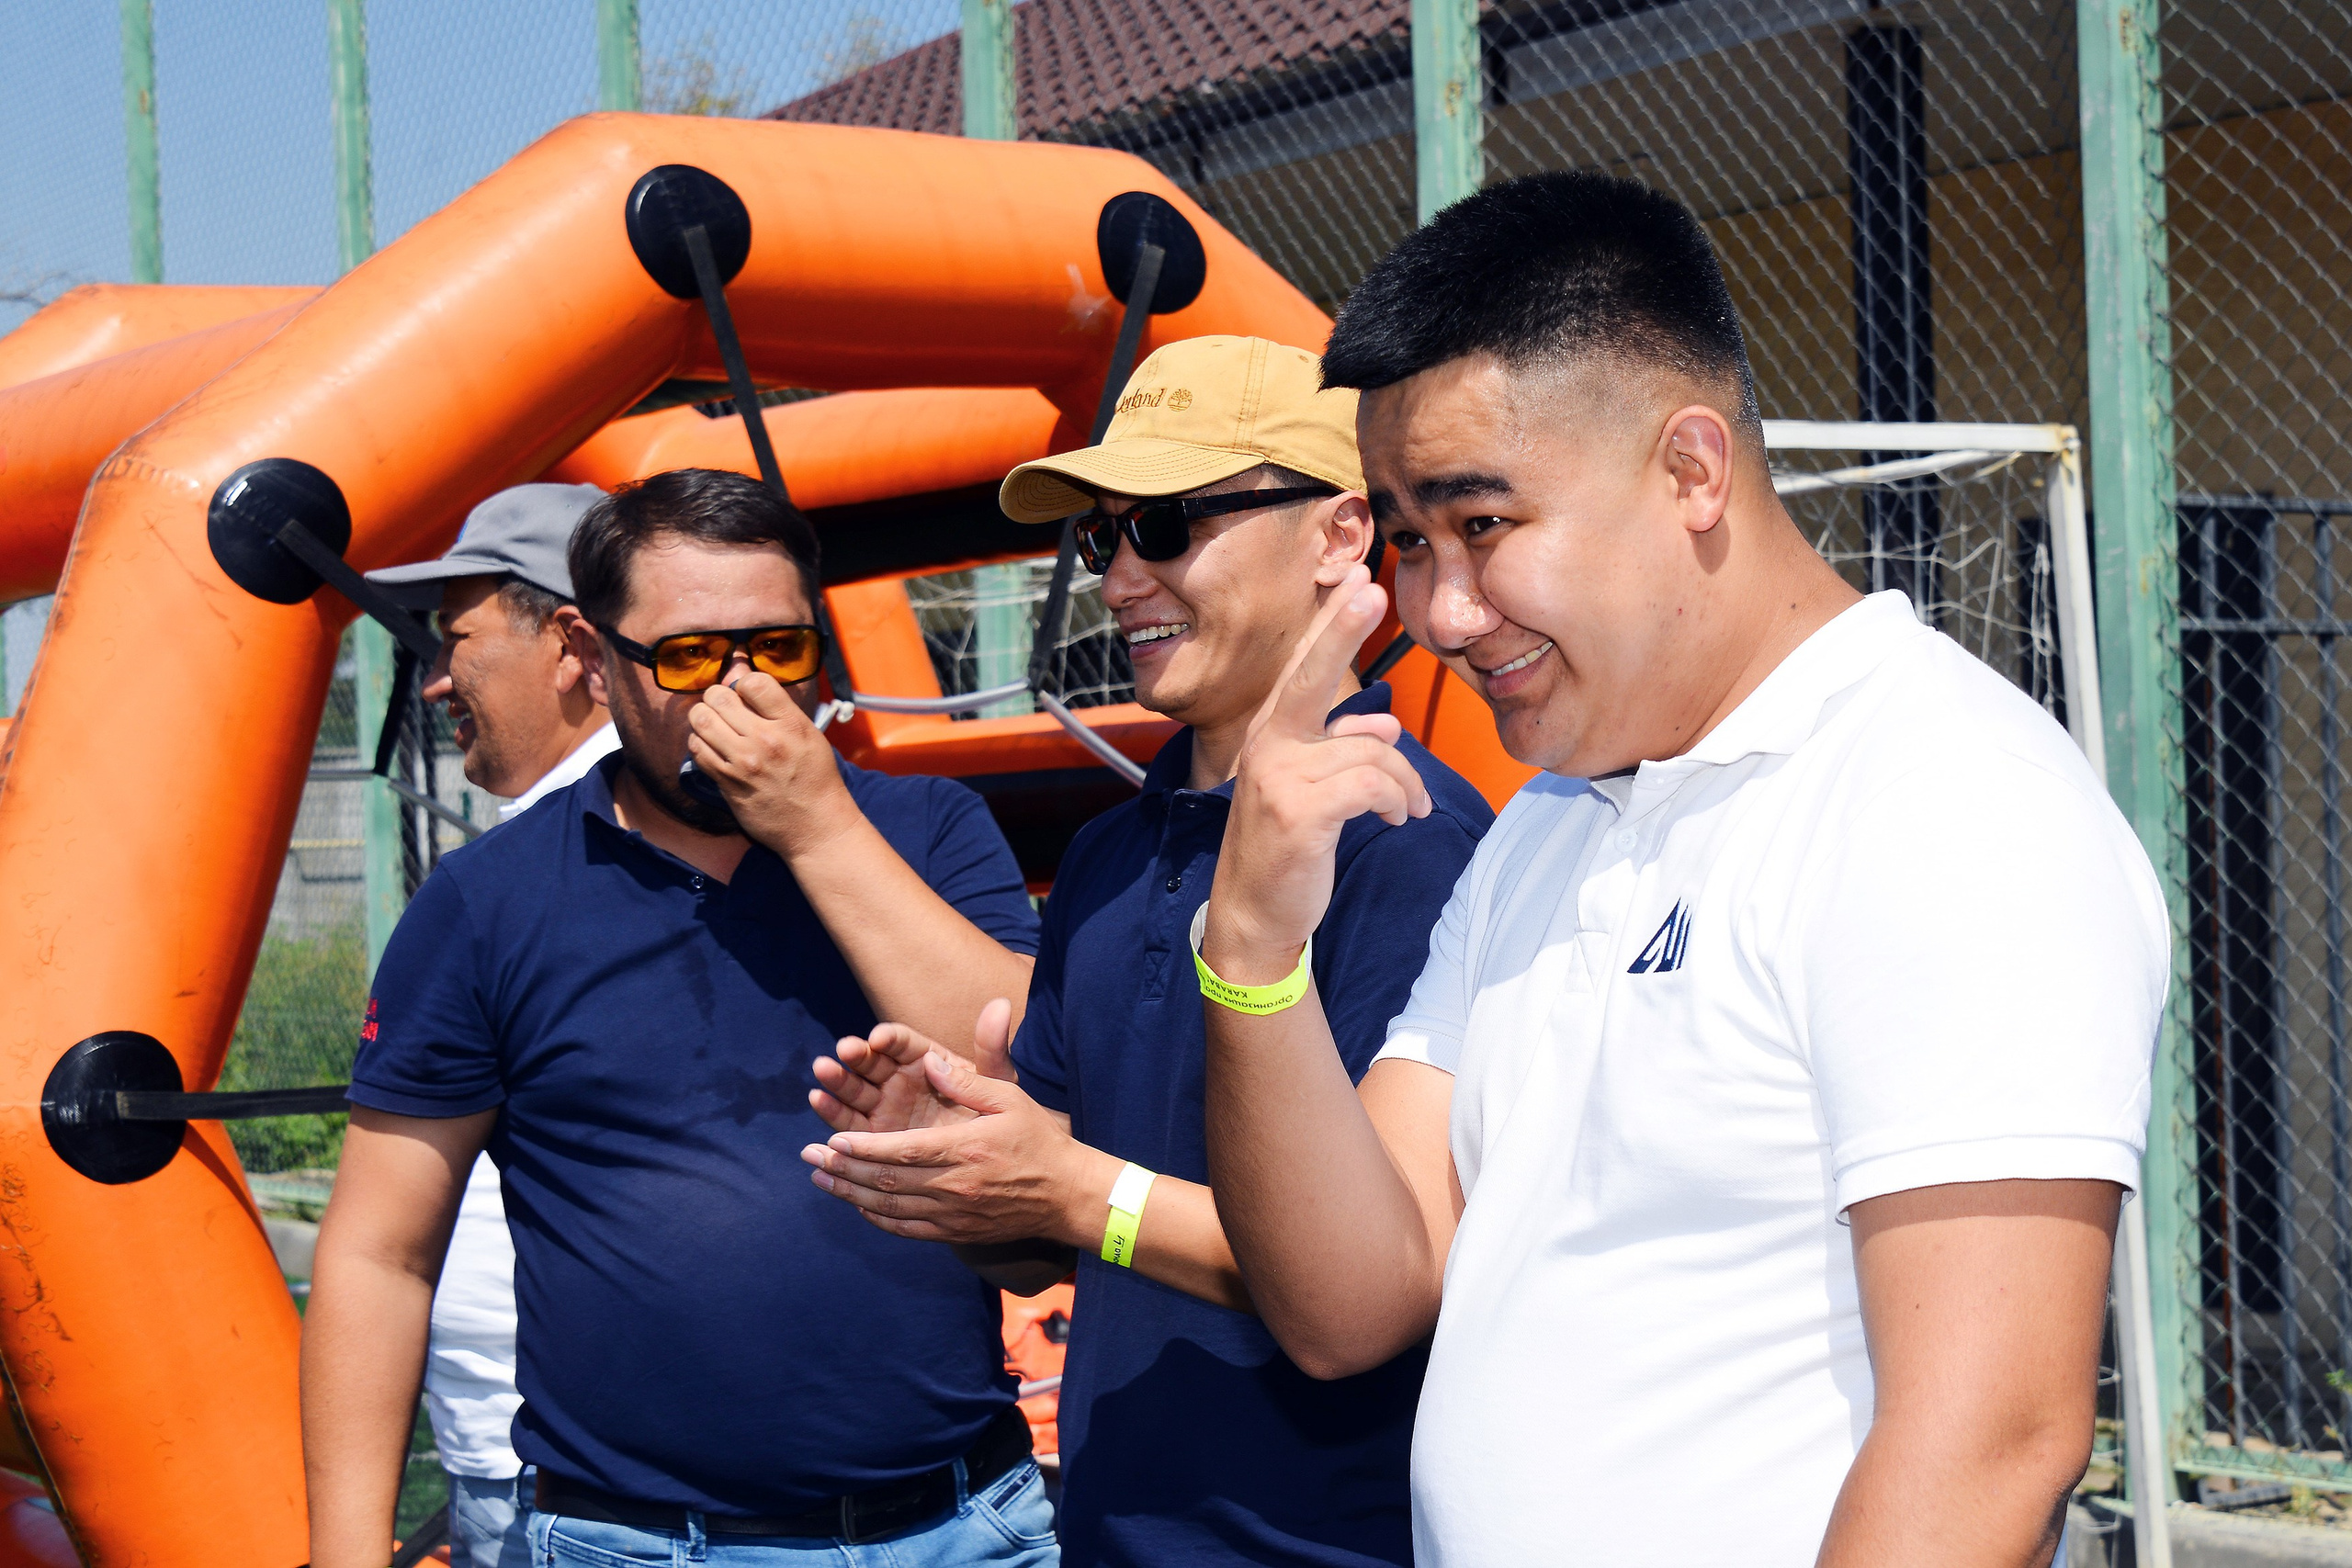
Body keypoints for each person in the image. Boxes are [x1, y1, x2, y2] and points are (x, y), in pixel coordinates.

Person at [1192, 174, 2168, 1567]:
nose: (1437, 609)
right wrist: (1252, 950)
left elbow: (1991, 1443)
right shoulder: (1557, 819)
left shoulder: (1943, 797)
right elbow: (1351, 1295)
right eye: (1407, 539)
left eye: (1483, 524)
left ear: (1693, 470)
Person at [798, 335, 1493, 1568]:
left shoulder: (1404, 836)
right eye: (1100, 537)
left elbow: (1373, 1278)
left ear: (1341, 536)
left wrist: (1069, 1187)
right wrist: (959, 1165)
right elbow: (1069, 1222)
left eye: (1164, 523)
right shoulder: (1119, 848)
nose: (1121, 578)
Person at [305, 468, 1057, 1568]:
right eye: (693, 656)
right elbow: (380, 1251)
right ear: (592, 654)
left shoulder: (928, 830)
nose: (744, 688)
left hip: (959, 1523)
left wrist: (815, 828)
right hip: (637, 1542)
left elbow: (1026, 1061)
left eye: (782, 649)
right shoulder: (487, 902)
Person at [360, 482, 616, 1568]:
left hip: (593, 1476)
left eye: (455, 638)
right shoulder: (505, 876)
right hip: (509, 1451)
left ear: (567, 642)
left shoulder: (615, 867)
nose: (431, 681)